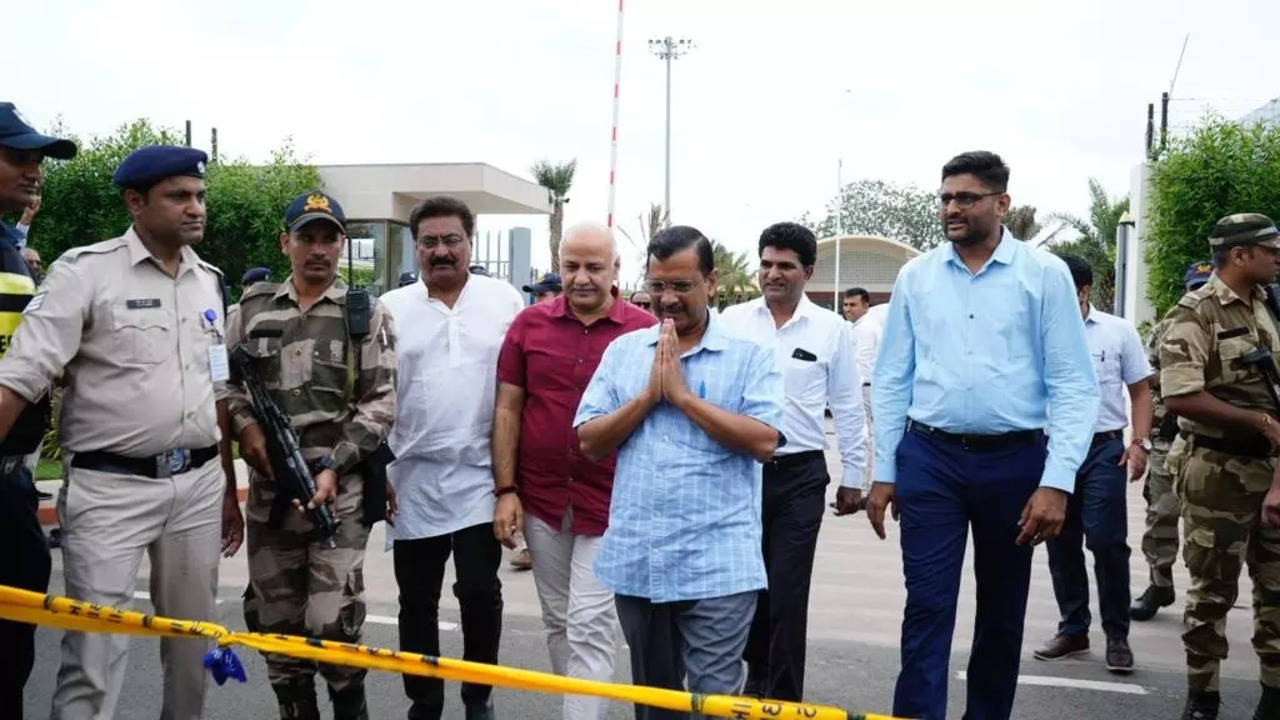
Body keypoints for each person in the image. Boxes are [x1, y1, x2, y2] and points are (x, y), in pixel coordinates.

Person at [0, 144, 244, 720]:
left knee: (193, 643)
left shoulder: (208, 281)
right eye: (179, 196)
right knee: (93, 655)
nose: (195, 208)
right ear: (136, 202)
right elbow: (22, 376)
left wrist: (229, 486)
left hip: (199, 486)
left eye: (200, 196)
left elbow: (218, 391)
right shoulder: (84, 273)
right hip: (112, 490)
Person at [868, 151, 1099, 720]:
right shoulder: (915, 276)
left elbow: (1074, 384)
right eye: (946, 197)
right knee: (927, 603)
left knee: (1001, 610)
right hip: (930, 458)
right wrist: (884, 470)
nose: (951, 208)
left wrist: (1057, 482)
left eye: (966, 198)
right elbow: (893, 375)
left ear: (1002, 204)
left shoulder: (1044, 275)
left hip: (1015, 463)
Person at [574, 225, 784, 720]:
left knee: (715, 701)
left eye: (681, 286)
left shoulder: (749, 355)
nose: (667, 299)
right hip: (638, 559)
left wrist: (684, 398)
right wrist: (649, 396)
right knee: (655, 701)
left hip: (718, 563)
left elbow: (764, 441)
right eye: (658, 285)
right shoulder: (624, 353)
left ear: (710, 283)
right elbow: (588, 441)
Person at [226, 190, 397, 720]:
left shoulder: (364, 313)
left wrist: (334, 465)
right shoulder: (249, 312)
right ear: (286, 243)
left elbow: (380, 402)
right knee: (277, 632)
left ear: (342, 246)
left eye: (329, 238)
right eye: (307, 236)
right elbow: (222, 384)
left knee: (330, 623)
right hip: (271, 495)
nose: (318, 248)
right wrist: (245, 425)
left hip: (337, 493)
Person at [492, 222, 655, 720]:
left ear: (616, 271)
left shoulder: (644, 333)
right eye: (571, 266)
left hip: (611, 502)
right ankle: (582, 708)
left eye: (594, 267)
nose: (581, 278)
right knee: (558, 620)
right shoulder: (528, 327)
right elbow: (507, 411)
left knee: (589, 622)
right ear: (557, 266)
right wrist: (506, 489)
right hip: (542, 499)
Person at [381, 195, 524, 720]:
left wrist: (515, 481)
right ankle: (425, 700)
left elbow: (521, 387)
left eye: (451, 240)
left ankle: (477, 695)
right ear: (415, 247)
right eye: (430, 242)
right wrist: (380, 469)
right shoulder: (390, 309)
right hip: (412, 480)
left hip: (483, 478)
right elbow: (372, 394)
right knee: (416, 601)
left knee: (481, 593)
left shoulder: (504, 300)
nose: (441, 251)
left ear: (470, 241)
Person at [719, 222, 866, 701]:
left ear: (808, 271)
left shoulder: (832, 329)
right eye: (766, 264)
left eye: (784, 266)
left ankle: (783, 700)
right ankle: (753, 680)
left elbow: (846, 405)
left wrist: (854, 476)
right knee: (748, 588)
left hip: (800, 477)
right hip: (739, 472)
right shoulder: (732, 322)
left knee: (787, 590)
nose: (772, 274)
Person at [1159, 213, 1280, 720]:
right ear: (1239, 254)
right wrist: (1257, 420)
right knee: (1212, 591)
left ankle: (1273, 696)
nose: (1278, 257)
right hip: (1216, 471)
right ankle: (1202, 694)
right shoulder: (1196, 312)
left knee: (1276, 588)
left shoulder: (1267, 305)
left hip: (1269, 473)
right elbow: (1182, 396)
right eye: (1271, 248)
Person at [1034, 254, 1152, 674]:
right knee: (1059, 541)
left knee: (1106, 542)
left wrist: (1140, 443)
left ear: (1083, 292)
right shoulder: (1036, 333)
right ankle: (1073, 629)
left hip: (1104, 450)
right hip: (1050, 451)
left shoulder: (1117, 332)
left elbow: (1140, 391)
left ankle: (1117, 635)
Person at [0, 102, 75, 720]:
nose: (34, 172)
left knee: (10, 656)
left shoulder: (6, 242)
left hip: (13, 485)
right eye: (17, 157)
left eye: (37, 161)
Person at [1131, 261, 1211, 622]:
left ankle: (1206, 593)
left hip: (1213, 441)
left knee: (1208, 525)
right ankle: (1159, 583)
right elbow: (1145, 377)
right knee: (1161, 515)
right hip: (1170, 437)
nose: (1200, 294)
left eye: (1205, 287)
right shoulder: (1170, 326)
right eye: (1195, 287)